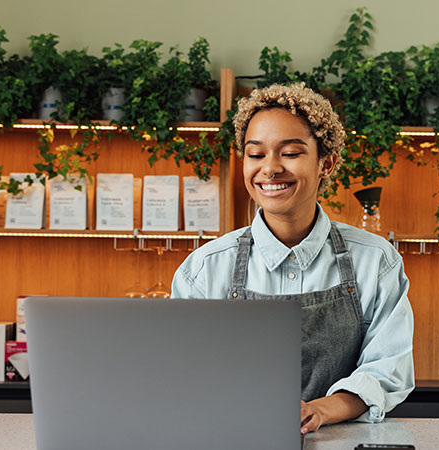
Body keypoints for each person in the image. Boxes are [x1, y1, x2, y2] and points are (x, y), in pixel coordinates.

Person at [171, 83, 414, 434]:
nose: (270, 168)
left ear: (326, 164)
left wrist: (320, 410)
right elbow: (183, 371)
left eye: (291, 153)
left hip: (342, 440)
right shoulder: (204, 269)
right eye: (255, 155)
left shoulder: (376, 262)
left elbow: (388, 369)